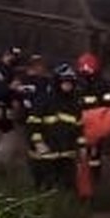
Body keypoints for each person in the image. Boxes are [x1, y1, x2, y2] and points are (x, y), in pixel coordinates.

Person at [26, 63, 85, 191]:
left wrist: (81, 148)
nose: (68, 85)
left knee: (67, 188)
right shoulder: (43, 100)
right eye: (65, 82)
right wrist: (38, 143)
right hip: (45, 156)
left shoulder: (74, 104)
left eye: (70, 82)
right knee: (45, 188)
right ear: (57, 82)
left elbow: (79, 128)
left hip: (66, 155)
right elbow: (32, 125)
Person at [74, 52, 110, 201]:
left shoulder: (101, 83)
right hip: (84, 122)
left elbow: (108, 101)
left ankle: (94, 178)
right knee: (83, 153)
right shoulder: (77, 83)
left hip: (96, 122)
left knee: (95, 154)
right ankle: (84, 185)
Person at [0, 46, 26, 166]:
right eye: (12, 56)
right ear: (6, 54)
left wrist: (18, 95)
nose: (14, 59)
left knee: (4, 141)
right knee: (9, 139)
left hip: (8, 112)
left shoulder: (11, 71)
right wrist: (10, 87)